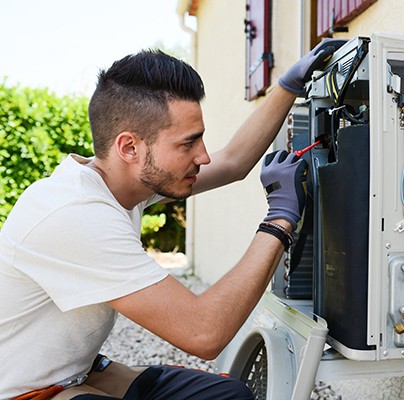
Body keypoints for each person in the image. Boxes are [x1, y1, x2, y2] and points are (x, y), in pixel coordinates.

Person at [0, 39, 345, 400]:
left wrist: (287, 87)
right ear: (129, 147)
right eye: (188, 143)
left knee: (228, 396)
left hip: (76, 373)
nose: (204, 156)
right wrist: (280, 219)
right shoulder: (76, 215)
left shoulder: (120, 181)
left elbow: (233, 162)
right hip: (28, 392)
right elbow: (204, 333)